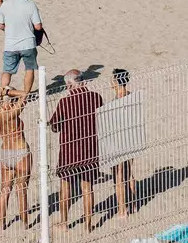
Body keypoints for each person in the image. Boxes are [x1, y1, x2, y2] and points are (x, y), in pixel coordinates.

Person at [52, 70, 103, 232]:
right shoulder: (96, 97)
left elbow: (55, 126)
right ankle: (88, 224)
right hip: (90, 149)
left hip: (70, 151)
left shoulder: (65, 102)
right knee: (87, 188)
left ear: (69, 85)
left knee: (65, 187)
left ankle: (64, 223)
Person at [0, 82, 34, 229]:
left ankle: (1, 224)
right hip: (20, 151)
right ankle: (25, 223)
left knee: (4, 190)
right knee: (21, 190)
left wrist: (1, 91)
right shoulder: (13, 111)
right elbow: (25, 94)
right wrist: (10, 92)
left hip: (6, 152)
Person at [102, 68, 140, 217]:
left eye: (112, 79)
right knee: (129, 173)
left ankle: (122, 210)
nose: (111, 82)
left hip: (118, 142)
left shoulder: (116, 101)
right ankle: (134, 204)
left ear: (117, 82)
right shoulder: (132, 97)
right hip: (131, 139)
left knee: (118, 176)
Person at [0, 0, 43, 88]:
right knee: (29, 69)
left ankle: (3, 92)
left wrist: (9, 30)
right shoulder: (31, 5)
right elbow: (38, 26)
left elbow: (0, 25)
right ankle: (26, 93)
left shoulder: (5, 4)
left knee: (7, 71)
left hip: (10, 44)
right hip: (28, 43)